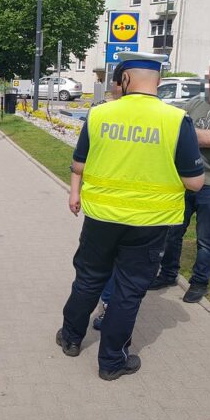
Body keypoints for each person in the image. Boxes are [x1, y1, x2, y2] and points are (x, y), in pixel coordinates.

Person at [57, 52, 205, 381]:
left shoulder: (98, 115)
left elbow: (78, 165)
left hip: (100, 217)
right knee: (127, 291)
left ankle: (70, 338)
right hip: (149, 224)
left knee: (88, 279)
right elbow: (195, 182)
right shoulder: (175, 120)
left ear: (125, 79)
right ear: (158, 81)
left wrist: (75, 192)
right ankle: (111, 362)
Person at [149, 60, 210, 303]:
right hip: (184, 181)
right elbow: (172, 122)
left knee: (205, 238)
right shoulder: (195, 103)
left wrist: (183, 133)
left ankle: (199, 282)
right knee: (173, 232)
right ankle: (168, 273)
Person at [91, 63, 126, 331]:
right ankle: (107, 306)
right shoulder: (101, 114)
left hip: (108, 208)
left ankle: (105, 306)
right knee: (113, 265)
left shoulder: (98, 114)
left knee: (106, 264)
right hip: (122, 209)